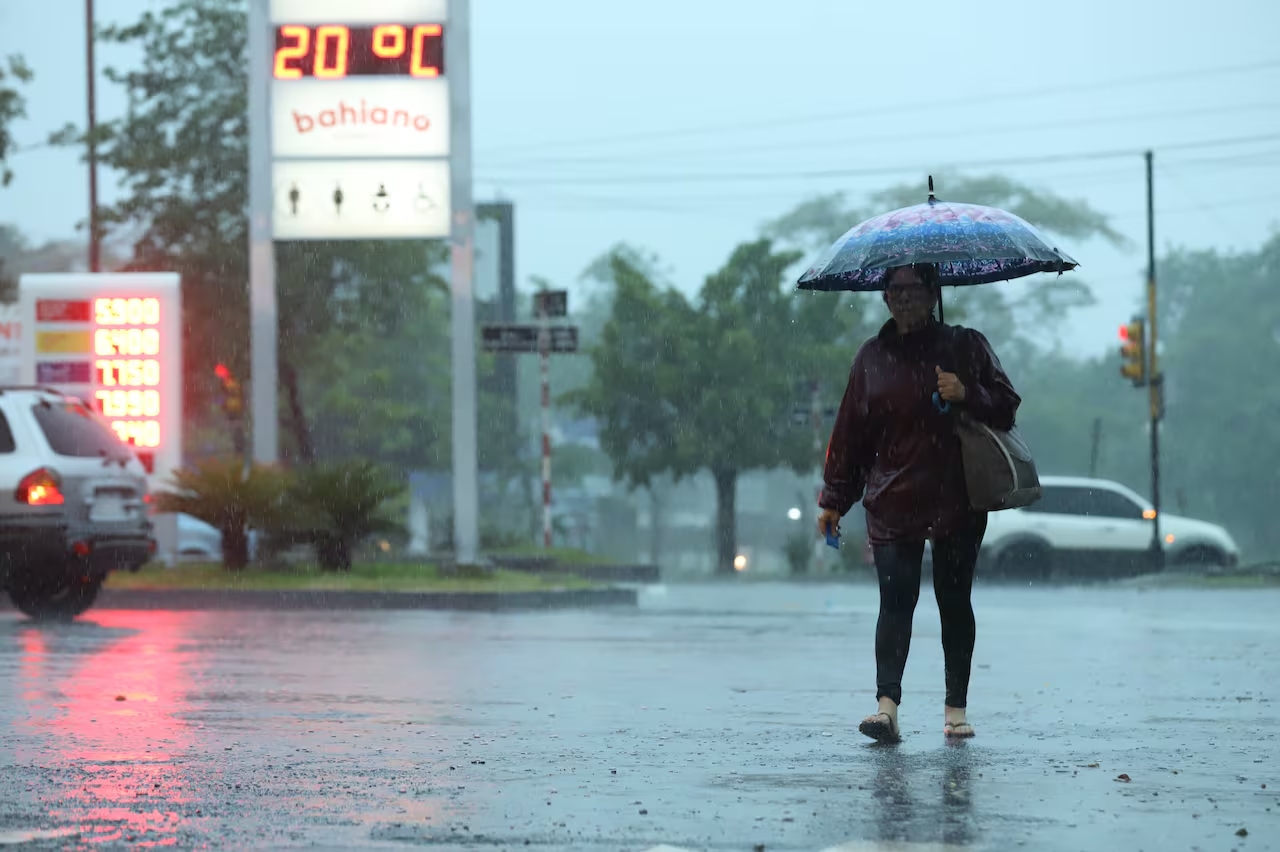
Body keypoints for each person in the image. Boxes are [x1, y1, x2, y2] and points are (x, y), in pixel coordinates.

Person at [816, 262, 1021, 743]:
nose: (903, 297)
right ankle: (886, 708)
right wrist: (834, 499)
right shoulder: (871, 358)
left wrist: (966, 392)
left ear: (933, 293)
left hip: (956, 498)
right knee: (895, 602)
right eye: (894, 289)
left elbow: (1007, 405)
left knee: (954, 601)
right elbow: (850, 436)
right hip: (892, 499)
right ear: (884, 297)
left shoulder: (964, 347)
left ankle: (955, 710)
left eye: (913, 288)